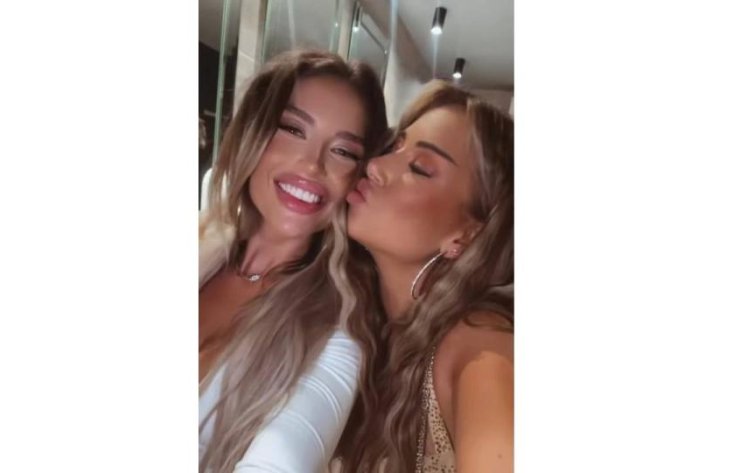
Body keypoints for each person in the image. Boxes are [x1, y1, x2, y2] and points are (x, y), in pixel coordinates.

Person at [198, 49, 388, 472]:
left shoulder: (338, 334)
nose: (312, 164)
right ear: (253, 132)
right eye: (293, 129)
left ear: (359, 178)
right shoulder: (202, 241)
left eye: (343, 151)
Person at [336, 80, 514, 472]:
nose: (375, 166)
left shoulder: (480, 350)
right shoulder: (363, 323)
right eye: (394, 147)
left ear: (466, 235)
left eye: (419, 168)